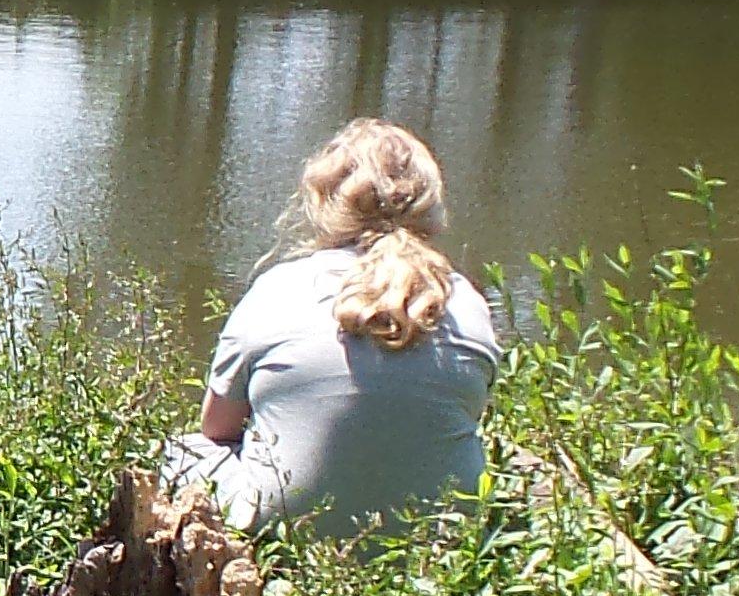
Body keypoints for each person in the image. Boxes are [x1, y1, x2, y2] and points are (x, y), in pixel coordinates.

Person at [161, 118, 503, 532]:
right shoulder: (465, 300)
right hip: (442, 536)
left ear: (324, 203)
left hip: (291, 529)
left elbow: (216, 428)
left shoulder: (279, 288)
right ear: (430, 207)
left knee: (184, 451)